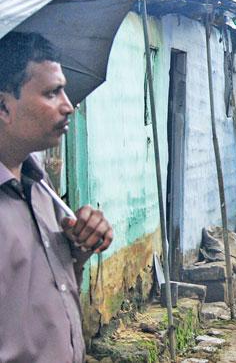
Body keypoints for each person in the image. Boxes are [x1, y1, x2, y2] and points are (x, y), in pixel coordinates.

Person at [0, 32, 114, 363]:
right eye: (52, 93)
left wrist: (78, 249)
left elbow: (53, 293)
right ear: (4, 107)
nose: (68, 105)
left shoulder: (39, 185)